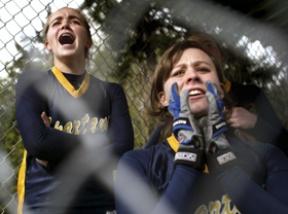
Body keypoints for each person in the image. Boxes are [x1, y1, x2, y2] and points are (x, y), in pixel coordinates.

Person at [114, 34, 288, 214]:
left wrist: (224, 163)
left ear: (221, 90)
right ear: (163, 98)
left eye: (203, 69)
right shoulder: (138, 164)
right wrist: (188, 155)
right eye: (179, 72)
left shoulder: (267, 157)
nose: (192, 76)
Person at [16, 7, 134, 214]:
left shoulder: (111, 92)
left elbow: (123, 149)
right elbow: (38, 142)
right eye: (56, 22)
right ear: (47, 44)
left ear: (87, 40)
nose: (65, 24)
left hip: (100, 203)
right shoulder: (33, 84)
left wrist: (54, 152)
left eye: (74, 21)